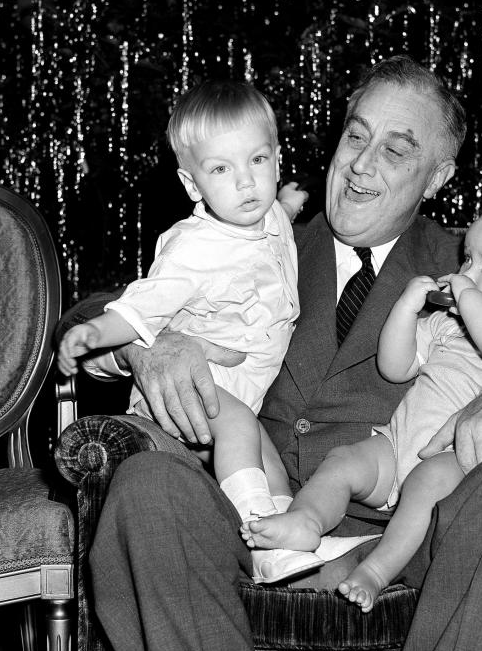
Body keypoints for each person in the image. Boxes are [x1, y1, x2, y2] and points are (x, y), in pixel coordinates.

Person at [68, 55, 482, 651]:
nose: (361, 164)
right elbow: (93, 309)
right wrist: (144, 346)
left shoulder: (472, 266)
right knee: (145, 488)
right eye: (355, 137)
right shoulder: (260, 239)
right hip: (253, 515)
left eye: (396, 149)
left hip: (402, 528)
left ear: (438, 176)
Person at [242, 202, 482, 611]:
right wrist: (406, 308)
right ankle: (306, 522)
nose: (466, 273)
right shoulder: (448, 321)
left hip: (455, 460)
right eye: (468, 259)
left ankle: (376, 571)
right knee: (343, 460)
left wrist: (468, 294)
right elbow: (395, 366)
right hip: (396, 442)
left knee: (423, 487)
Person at [57, 79, 322, 582]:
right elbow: (139, 310)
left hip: (242, 392)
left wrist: (287, 202)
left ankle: (285, 538)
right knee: (243, 429)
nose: (246, 184)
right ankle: (259, 534)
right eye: (222, 169)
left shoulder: (269, 217)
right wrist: (93, 336)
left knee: (266, 453)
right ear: (193, 185)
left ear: (278, 158)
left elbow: (277, 221)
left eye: (258, 161)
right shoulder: (193, 248)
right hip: (188, 389)